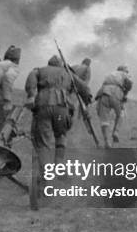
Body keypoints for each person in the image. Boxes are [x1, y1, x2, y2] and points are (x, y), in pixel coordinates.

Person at [25, 56, 91, 195]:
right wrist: (87, 100)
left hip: (43, 107)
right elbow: (84, 87)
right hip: (62, 109)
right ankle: (59, 163)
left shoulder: (39, 70)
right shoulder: (68, 73)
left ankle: (47, 182)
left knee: (44, 144)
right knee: (61, 134)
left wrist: (31, 95)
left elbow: (31, 80)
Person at [95, 65, 133, 148]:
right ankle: (116, 132)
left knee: (104, 120)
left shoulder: (110, 74)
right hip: (116, 93)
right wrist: (125, 94)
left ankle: (107, 141)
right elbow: (130, 84)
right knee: (120, 114)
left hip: (104, 93)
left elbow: (103, 85)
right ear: (124, 70)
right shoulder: (124, 74)